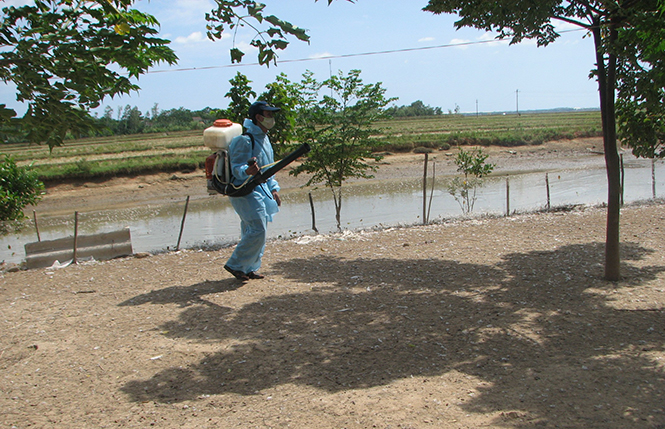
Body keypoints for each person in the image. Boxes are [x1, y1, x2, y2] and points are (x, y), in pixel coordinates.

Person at [223, 101, 282, 281]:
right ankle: (235, 264)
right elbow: (236, 168)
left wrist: (273, 189)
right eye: (268, 114)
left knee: (253, 228)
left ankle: (249, 268)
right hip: (244, 191)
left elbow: (268, 170)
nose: (271, 118)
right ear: (258, 117)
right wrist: (246, 171)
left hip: (260, 189)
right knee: (258, 229)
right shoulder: (244, 140)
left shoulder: (265, 139)